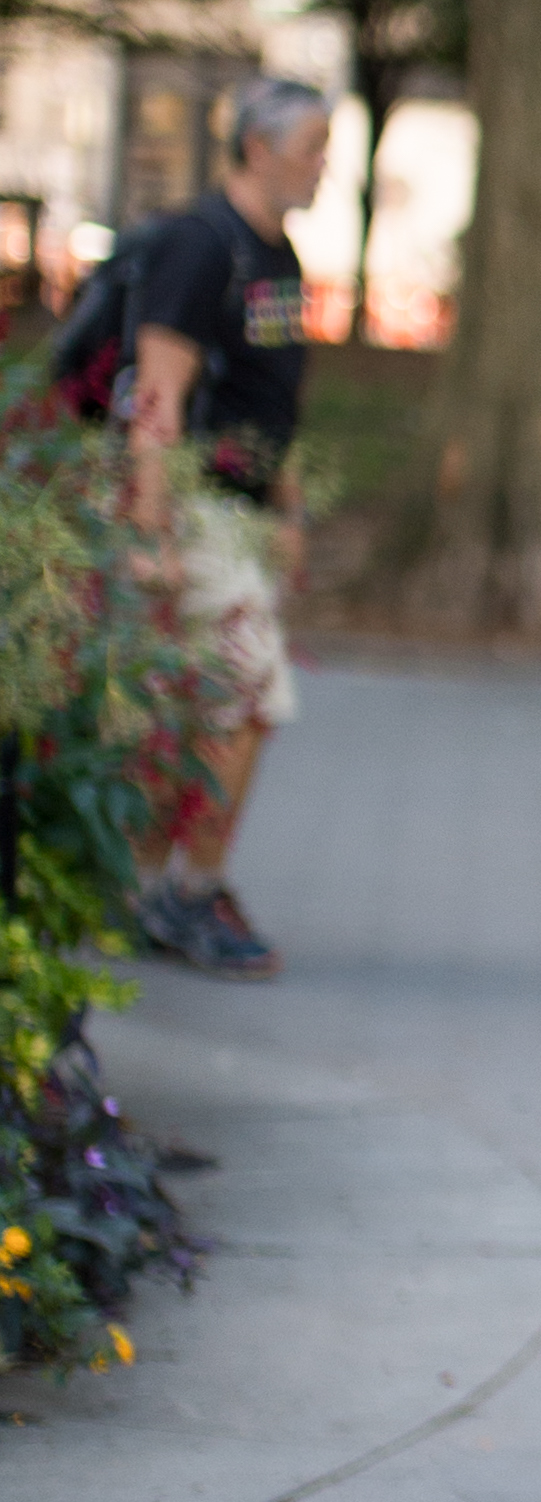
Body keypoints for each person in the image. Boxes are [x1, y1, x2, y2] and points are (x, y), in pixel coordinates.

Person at [122, 77, 332, 980]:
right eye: (313, 145)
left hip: (240, 516)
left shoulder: (276, 258)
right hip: (195, 508)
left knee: (199, 707)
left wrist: (285, 510)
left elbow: (272, 396)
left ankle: (145, 888)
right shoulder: (200, 247)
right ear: (257, 146)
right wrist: (152, 529)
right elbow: (157, 396)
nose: (326, 164)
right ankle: (186, 893)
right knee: (244, 703)